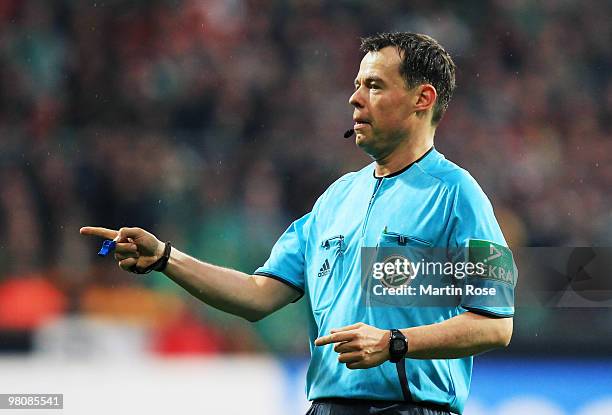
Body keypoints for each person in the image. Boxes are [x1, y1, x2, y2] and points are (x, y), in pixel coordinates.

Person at [81, 32, 516, 415]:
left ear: (423, 98)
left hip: (414, 409)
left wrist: (394, 342)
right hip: (325, 407)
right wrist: (165, 258)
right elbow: (257, 295)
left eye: (374, 86)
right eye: (356, 85)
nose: (355, 98)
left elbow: (495, 325)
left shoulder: (457, 194)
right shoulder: (334, 199)